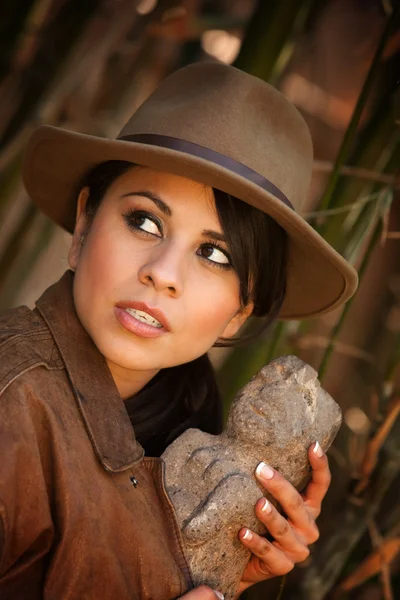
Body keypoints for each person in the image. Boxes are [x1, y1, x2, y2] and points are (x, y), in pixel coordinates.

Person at [0, 61, 358, 600]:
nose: (162, 274)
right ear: (83, 225)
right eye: (145, 221)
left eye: (214, 254)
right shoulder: (12, 404)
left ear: (244, 307)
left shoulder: (181, 438)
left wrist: (219, 563)